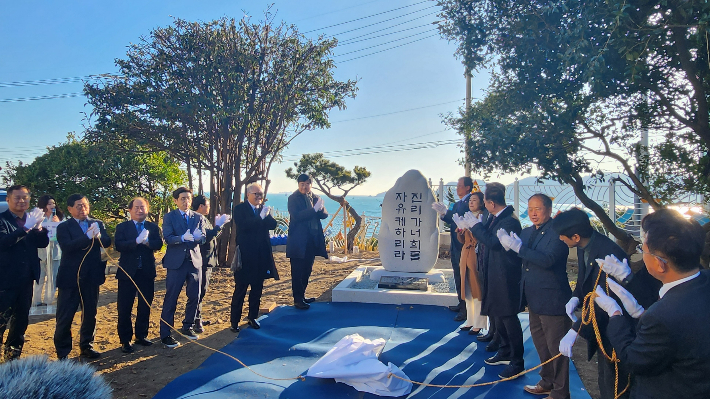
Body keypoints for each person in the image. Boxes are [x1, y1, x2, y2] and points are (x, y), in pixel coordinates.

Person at [593, 209, 710, 399]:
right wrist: (642, 313)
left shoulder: (662, 315)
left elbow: (634, 360)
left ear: (659, 263)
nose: (642, 254)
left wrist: (615, 315)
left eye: (643, 250)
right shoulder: (704, 280)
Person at [552, 208, 660, 399]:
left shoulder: (608, 254)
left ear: (575, 236)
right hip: (603, 327)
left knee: (615, 385)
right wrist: (576, 296)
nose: (561, 239)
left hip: (617, 327)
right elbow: (585, 281)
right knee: (604, 380)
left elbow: (603, 299)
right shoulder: (585, 246)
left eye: (562, 236)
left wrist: (575, 330)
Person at [498, 194, 572, 399]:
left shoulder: (558, 232)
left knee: (556, 348)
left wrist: (519, 248)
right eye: (530, 208)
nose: (533, 213)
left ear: (549, 209)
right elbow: (522, 256)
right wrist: (509, 246)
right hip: (533, 297)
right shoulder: (528, 230)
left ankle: (560, 392)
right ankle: (547, 381)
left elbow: (547, 260)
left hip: (553, 298)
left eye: (538, 209)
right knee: (541, 345)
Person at [468, 182, 525, 379]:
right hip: (492, 272)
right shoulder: (495, 218)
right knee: (498, 314)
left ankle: (517, 361)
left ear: (491, 203)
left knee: (508, 317)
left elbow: (493, 243)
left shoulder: (509, 221)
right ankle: (504, 349)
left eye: (484, 201)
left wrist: (475, 226)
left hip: (505, 275)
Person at [54, 194, 111, 360]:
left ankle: (87, 346)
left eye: (85, 205)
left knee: (90, 313)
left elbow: (107, 242)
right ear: (70, 209)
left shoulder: (97, 223)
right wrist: (86, 237)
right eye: (79, 206)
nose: (83, 209)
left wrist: (99, 236)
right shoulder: (64, 227)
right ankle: (63, 352)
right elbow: (67, 246)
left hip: (92, 276)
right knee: (65, 316)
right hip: (70, 278)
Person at [0, 185, 49, 361]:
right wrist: (25, 228)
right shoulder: (2, 219)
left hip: (26, 277)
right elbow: (4, 242)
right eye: (17, 198)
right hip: (5, 279)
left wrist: (39, 228)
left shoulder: (30, 219)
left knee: (20, 321)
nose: (22, 201)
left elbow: (42, 243)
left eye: (25, 198)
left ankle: (12, 357)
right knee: (1, 320)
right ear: (8, 199)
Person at [113, 197, 164, 353]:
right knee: (124, 307)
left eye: (142, 207)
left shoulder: (153, 227)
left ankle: (141, 335)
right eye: (136, 207)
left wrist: (148, 243)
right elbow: (118, 245)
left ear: (147, 209)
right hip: (127, 273)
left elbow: (159, 243)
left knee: (145, 306)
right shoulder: (122, 227)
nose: (139, 210)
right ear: (130, 210)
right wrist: (135, 241)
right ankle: (125, 340)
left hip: (146, 272)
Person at [160, 187, 206, 348]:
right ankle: (166, 333)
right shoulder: (169, 217)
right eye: (182, 198)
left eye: (188, 198)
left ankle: (188, 326)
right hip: (176, 263)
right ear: (175, 201)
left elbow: (203, 236)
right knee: (171, 298)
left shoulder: (198, 217)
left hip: (194, 262)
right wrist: (181, 238)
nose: (186, 201)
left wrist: (201, 238)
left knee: (195, 295)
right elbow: (167, 237)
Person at [230, 183, 280, 331]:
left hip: (261, 256)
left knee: (257, 289)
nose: (259, 197)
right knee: (240, 289)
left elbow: (273, 225)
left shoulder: (262, 209)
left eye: (261, 194)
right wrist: (260, 217)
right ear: (248, 195)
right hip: (245, 256)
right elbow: (244, 225)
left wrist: (266, 214)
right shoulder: (240, 209)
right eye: (256, 194)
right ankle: (234, 321)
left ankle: (252, 317)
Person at [432, 177, 473, 321]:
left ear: (468, 187)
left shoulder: (470, 203)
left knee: (465, 277)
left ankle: (466, 309)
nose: (457, 188)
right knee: (457, 275)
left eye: (460, 186)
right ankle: (461, 303)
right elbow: (452, 220)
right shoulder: (458, 203)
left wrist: (447, 213)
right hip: (455, 244)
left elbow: (461, 220)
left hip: (464, 245)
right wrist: (444, 213)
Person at [286, 174, 328, 310]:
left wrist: (320, 208)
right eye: (301, 184)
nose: (304, 187)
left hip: (312, 239)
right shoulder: (293, 198)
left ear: (311, 184)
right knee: (297, 270)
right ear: (298, 185)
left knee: (307, 270)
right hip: (298, 240)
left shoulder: (315, 197)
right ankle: (297, 299)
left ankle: (302, 295)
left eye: (307, 184)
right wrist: (313, 210)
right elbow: (297, 216)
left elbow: (324, 215)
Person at [191, 195, 230, 333]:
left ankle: (197, 317)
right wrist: (218, 226)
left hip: (207, 259)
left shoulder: (203, 218)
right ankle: (195, 320)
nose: (209, 207)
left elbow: (211, 236)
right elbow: (206, 237)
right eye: (207, 205)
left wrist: (218, 227)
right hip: (202, 259)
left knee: (202, 291)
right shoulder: (197, 219)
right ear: (201, 206)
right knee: (199, 291)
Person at [451, 191, 488, 335]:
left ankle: (479, 323)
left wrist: (471, 227)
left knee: (476, 289)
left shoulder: (482, 218)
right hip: (465, 253)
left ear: (481, 203)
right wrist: (460, 229)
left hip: (475, 254)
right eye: (470, 200)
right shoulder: (468, 216)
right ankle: (470, 320)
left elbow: (480, 238)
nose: (471, 202)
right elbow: (462, 240)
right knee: (466, 289)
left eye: (474, 200)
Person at [33, 194, 63, 307]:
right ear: (44, 205)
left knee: (53, 278)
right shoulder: (39, 218)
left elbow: (63, 234)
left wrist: (58, 223)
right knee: (39, 278)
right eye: (49, 204)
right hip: (41, 253)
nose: (52, 206)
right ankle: (36, 301)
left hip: (55, 252)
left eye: (53, 203)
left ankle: (48, 301)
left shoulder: (59, 217)